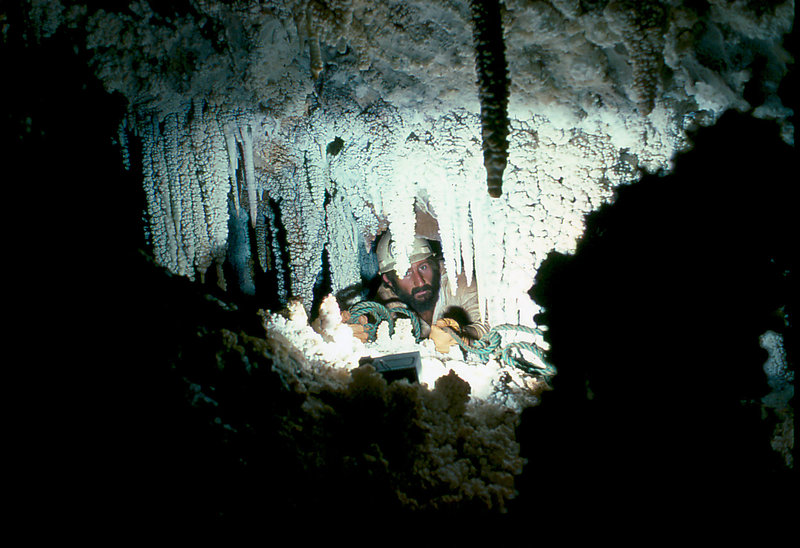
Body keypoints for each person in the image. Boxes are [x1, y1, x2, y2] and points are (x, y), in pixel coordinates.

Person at [343, 230, 489, 352]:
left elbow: (489, 325)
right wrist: (356, 332)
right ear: (389, 280)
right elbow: (372, 329)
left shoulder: (458, 280)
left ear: (435, 264)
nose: (419, 281)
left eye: (423, 267)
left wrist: (462, 336)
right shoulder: (386, 300)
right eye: (405, 273)